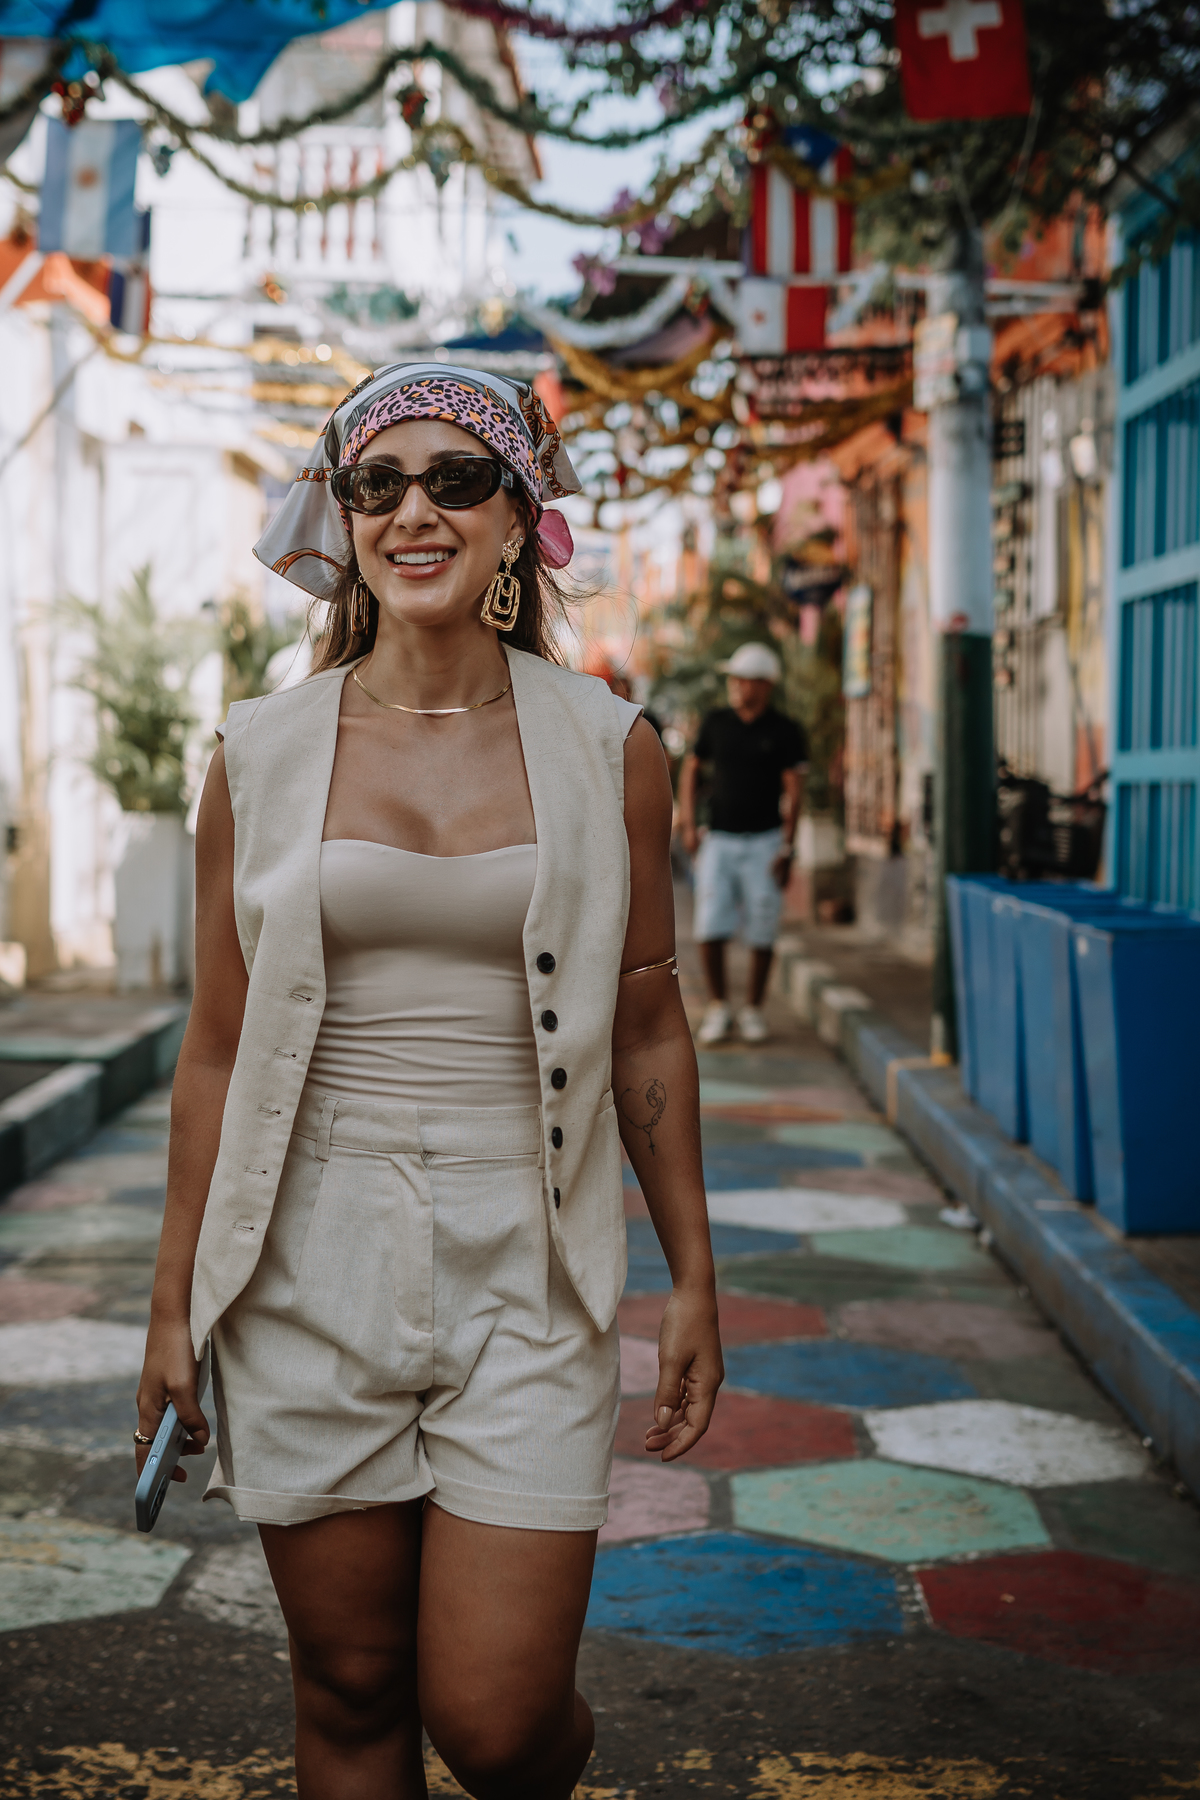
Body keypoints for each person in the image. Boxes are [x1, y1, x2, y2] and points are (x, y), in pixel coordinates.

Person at [134, 362, 723, 1800]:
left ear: (519, 515)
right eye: (379, 484)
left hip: (532, 1252)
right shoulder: (257, 754)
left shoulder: (613, 748)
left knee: (499, 1724)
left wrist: (695, 1274)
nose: (416, 512)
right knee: (350, 1687)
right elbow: (216, 1043)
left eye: (457, 480)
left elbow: (649, 1023)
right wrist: (173, 1302)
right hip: (306, 1249)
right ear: (343, 517)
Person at [678, 642, 808, 1046]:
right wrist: (688, 824)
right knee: (709, 925)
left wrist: (787, 848)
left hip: (765, 842)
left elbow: (795, 790)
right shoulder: (716, 723)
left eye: (745, 679)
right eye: (734, 679)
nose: (736, 685)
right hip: (718, 838)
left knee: (763, 926)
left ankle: (753, 1009)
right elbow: (691, 770)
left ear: (765, 684)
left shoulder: (785, 730)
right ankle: (719, 1006)